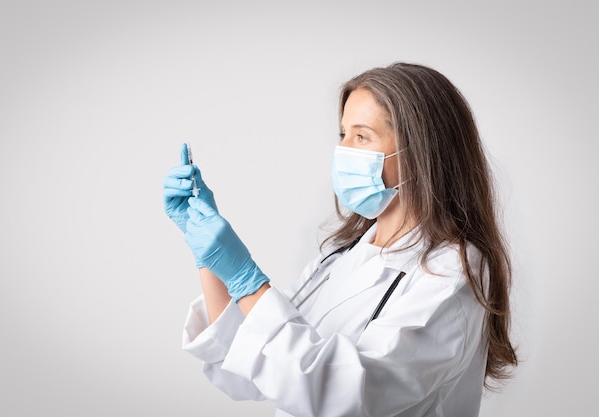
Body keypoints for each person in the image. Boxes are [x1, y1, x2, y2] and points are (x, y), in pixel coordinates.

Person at [163, 62, 518, 417]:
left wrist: (245, 277)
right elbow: (248, 368)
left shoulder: (452, 273)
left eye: (361, 136)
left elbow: (342, 397)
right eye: (342, 134)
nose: (343, 151)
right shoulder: (341, 255)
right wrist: (211, 259)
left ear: (421, 152)